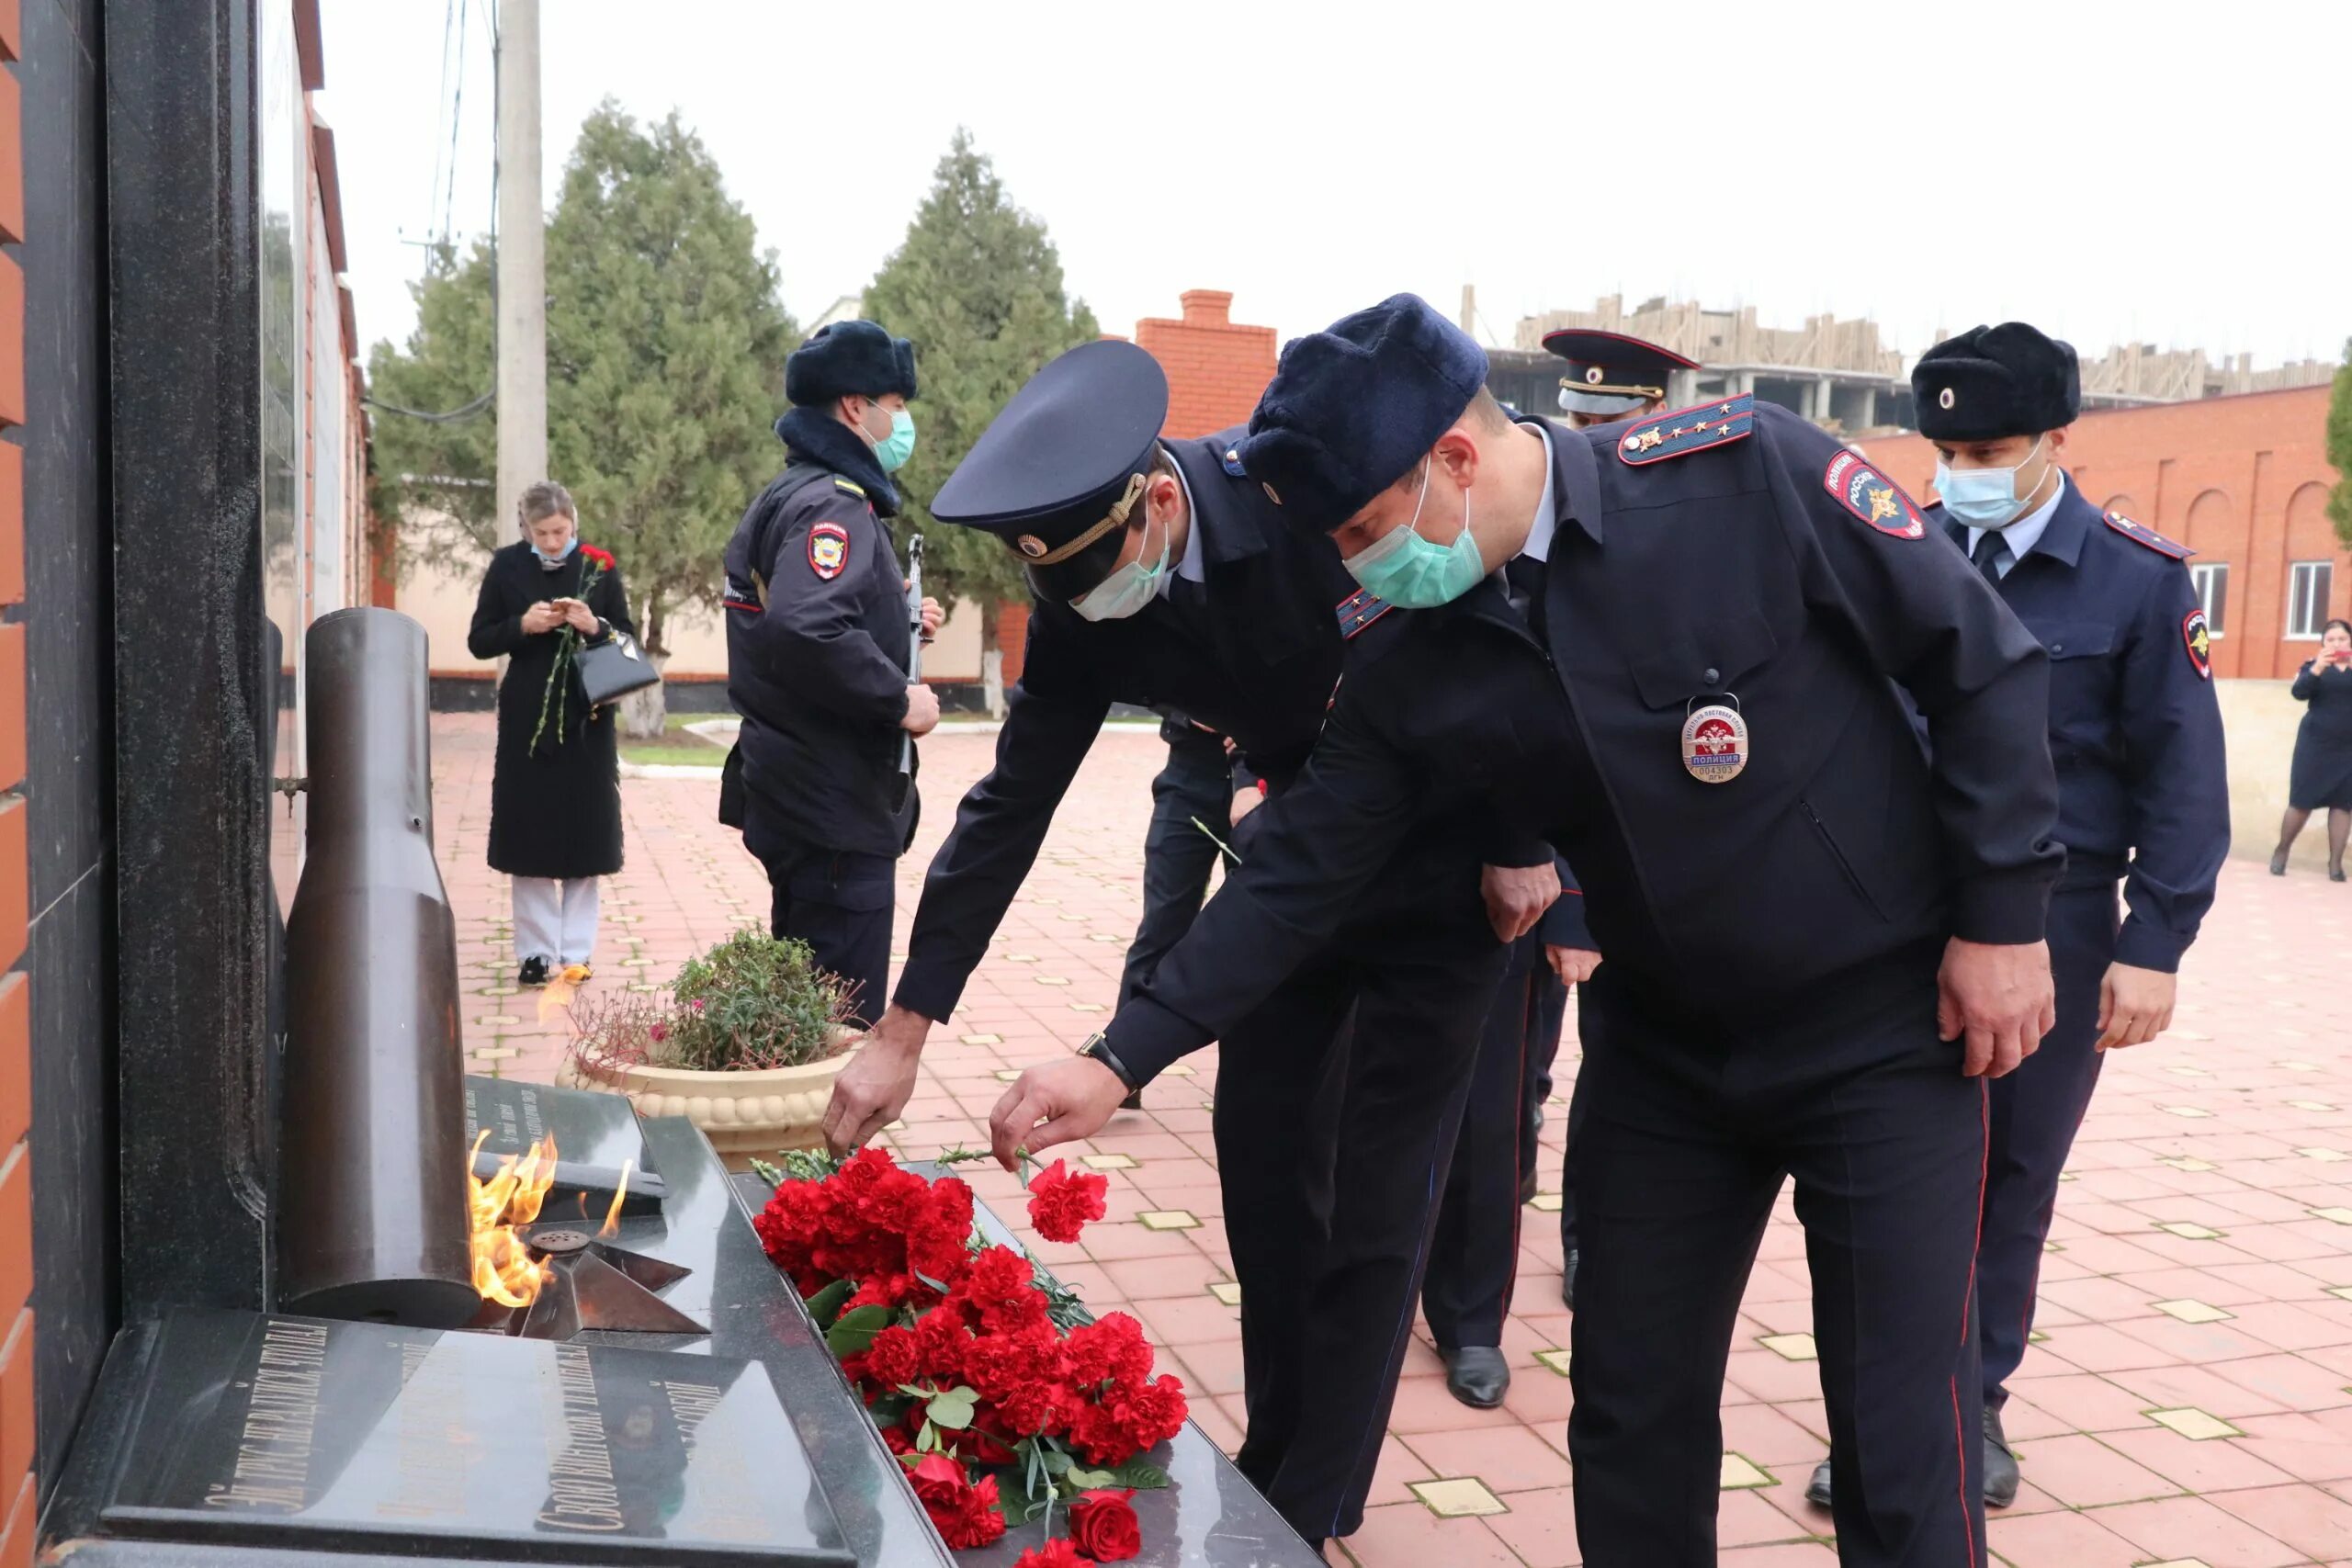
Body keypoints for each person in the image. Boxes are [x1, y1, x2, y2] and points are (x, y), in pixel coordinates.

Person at [987, 295, 2064, 1568]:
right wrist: (1120, 1054)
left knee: (1896, 1438)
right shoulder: (1413, 654)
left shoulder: (1743, 478)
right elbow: (1302, 868)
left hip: (1877, 1032)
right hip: (1663, 1055)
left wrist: (2003, 920)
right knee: (1630, 1415)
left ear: (1454, 456)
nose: (1359, 564)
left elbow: (1977, 659)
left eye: (1365, 530)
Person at [820, 338, 1539, 1552]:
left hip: (1440, 865)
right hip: (1287, 877)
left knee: (1377, 1200)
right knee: (1261, 1171)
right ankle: (1285, 1454)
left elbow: (1496, 601)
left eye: (1100, 573)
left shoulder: (1306, 491)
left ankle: (1307, 1507)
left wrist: (1522, 829)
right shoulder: (1089, 593)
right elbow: (1009, 807)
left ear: (1161, 500)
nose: (1088, 604)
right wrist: (905, 1029)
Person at [1804, 321, 2231, 1512]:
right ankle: (1884, 1414)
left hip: (2060, 923)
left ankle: (1970, 1402)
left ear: (2056, 437)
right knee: (1885, 1174)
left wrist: (2157, 945)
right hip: (1890, 920)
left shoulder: (2140, 581)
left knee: (2009, 1175)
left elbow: (2183, 781)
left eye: (1987, 446)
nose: (1960, 470)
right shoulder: (1904, 553)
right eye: (1944, 447)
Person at [722, 321, 942, 1025]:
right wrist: (900, 698)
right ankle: (828, 1143)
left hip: (798, 791)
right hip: (832, 807)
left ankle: (805, 1138)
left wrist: (898, 623)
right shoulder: (835, 503)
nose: (900, 420)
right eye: (894, 403)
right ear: (855, 407)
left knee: (803, 1015)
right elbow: (806, 625)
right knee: (837, 1034)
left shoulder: (796, 491)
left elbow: (807, 623)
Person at [467, 480, 635, 987]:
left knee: (585, 835)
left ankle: (577, 953)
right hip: (527, 717)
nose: (553, 540)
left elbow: (626, 636)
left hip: (588, 715)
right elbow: (479, 639)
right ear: (526, 530)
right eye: (542, 533)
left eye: (560, 531)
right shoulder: (506, 566)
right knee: (531, 834)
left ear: (574, 525)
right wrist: (523, 625)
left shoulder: (600, 567)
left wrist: (595, 626)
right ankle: (535, 953)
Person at [2271, 616, 2352, 879]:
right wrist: (2318, 667)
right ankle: (2282, 851)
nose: (2337, 643)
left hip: (2347, 748)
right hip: (2315, 745)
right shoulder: (2312, 666)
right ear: (2322, 644)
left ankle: (2335, 865)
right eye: (2331, 640)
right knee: (2301, 801)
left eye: (2342, 639)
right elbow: (2299, 692)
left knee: (2343, 804)